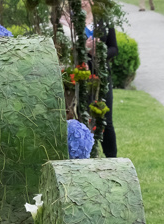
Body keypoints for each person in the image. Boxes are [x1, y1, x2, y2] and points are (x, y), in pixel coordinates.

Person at [61, 0, 118, 158]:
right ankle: (87, 156)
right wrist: (84, 48)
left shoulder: (103, 20)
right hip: (80, 77)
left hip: (102, 76)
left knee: (106, 119)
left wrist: (100, 51)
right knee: (83, 116)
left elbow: (114, 49)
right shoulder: (70, 22)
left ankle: (112, 157)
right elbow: (65, 50)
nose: (82, 2)